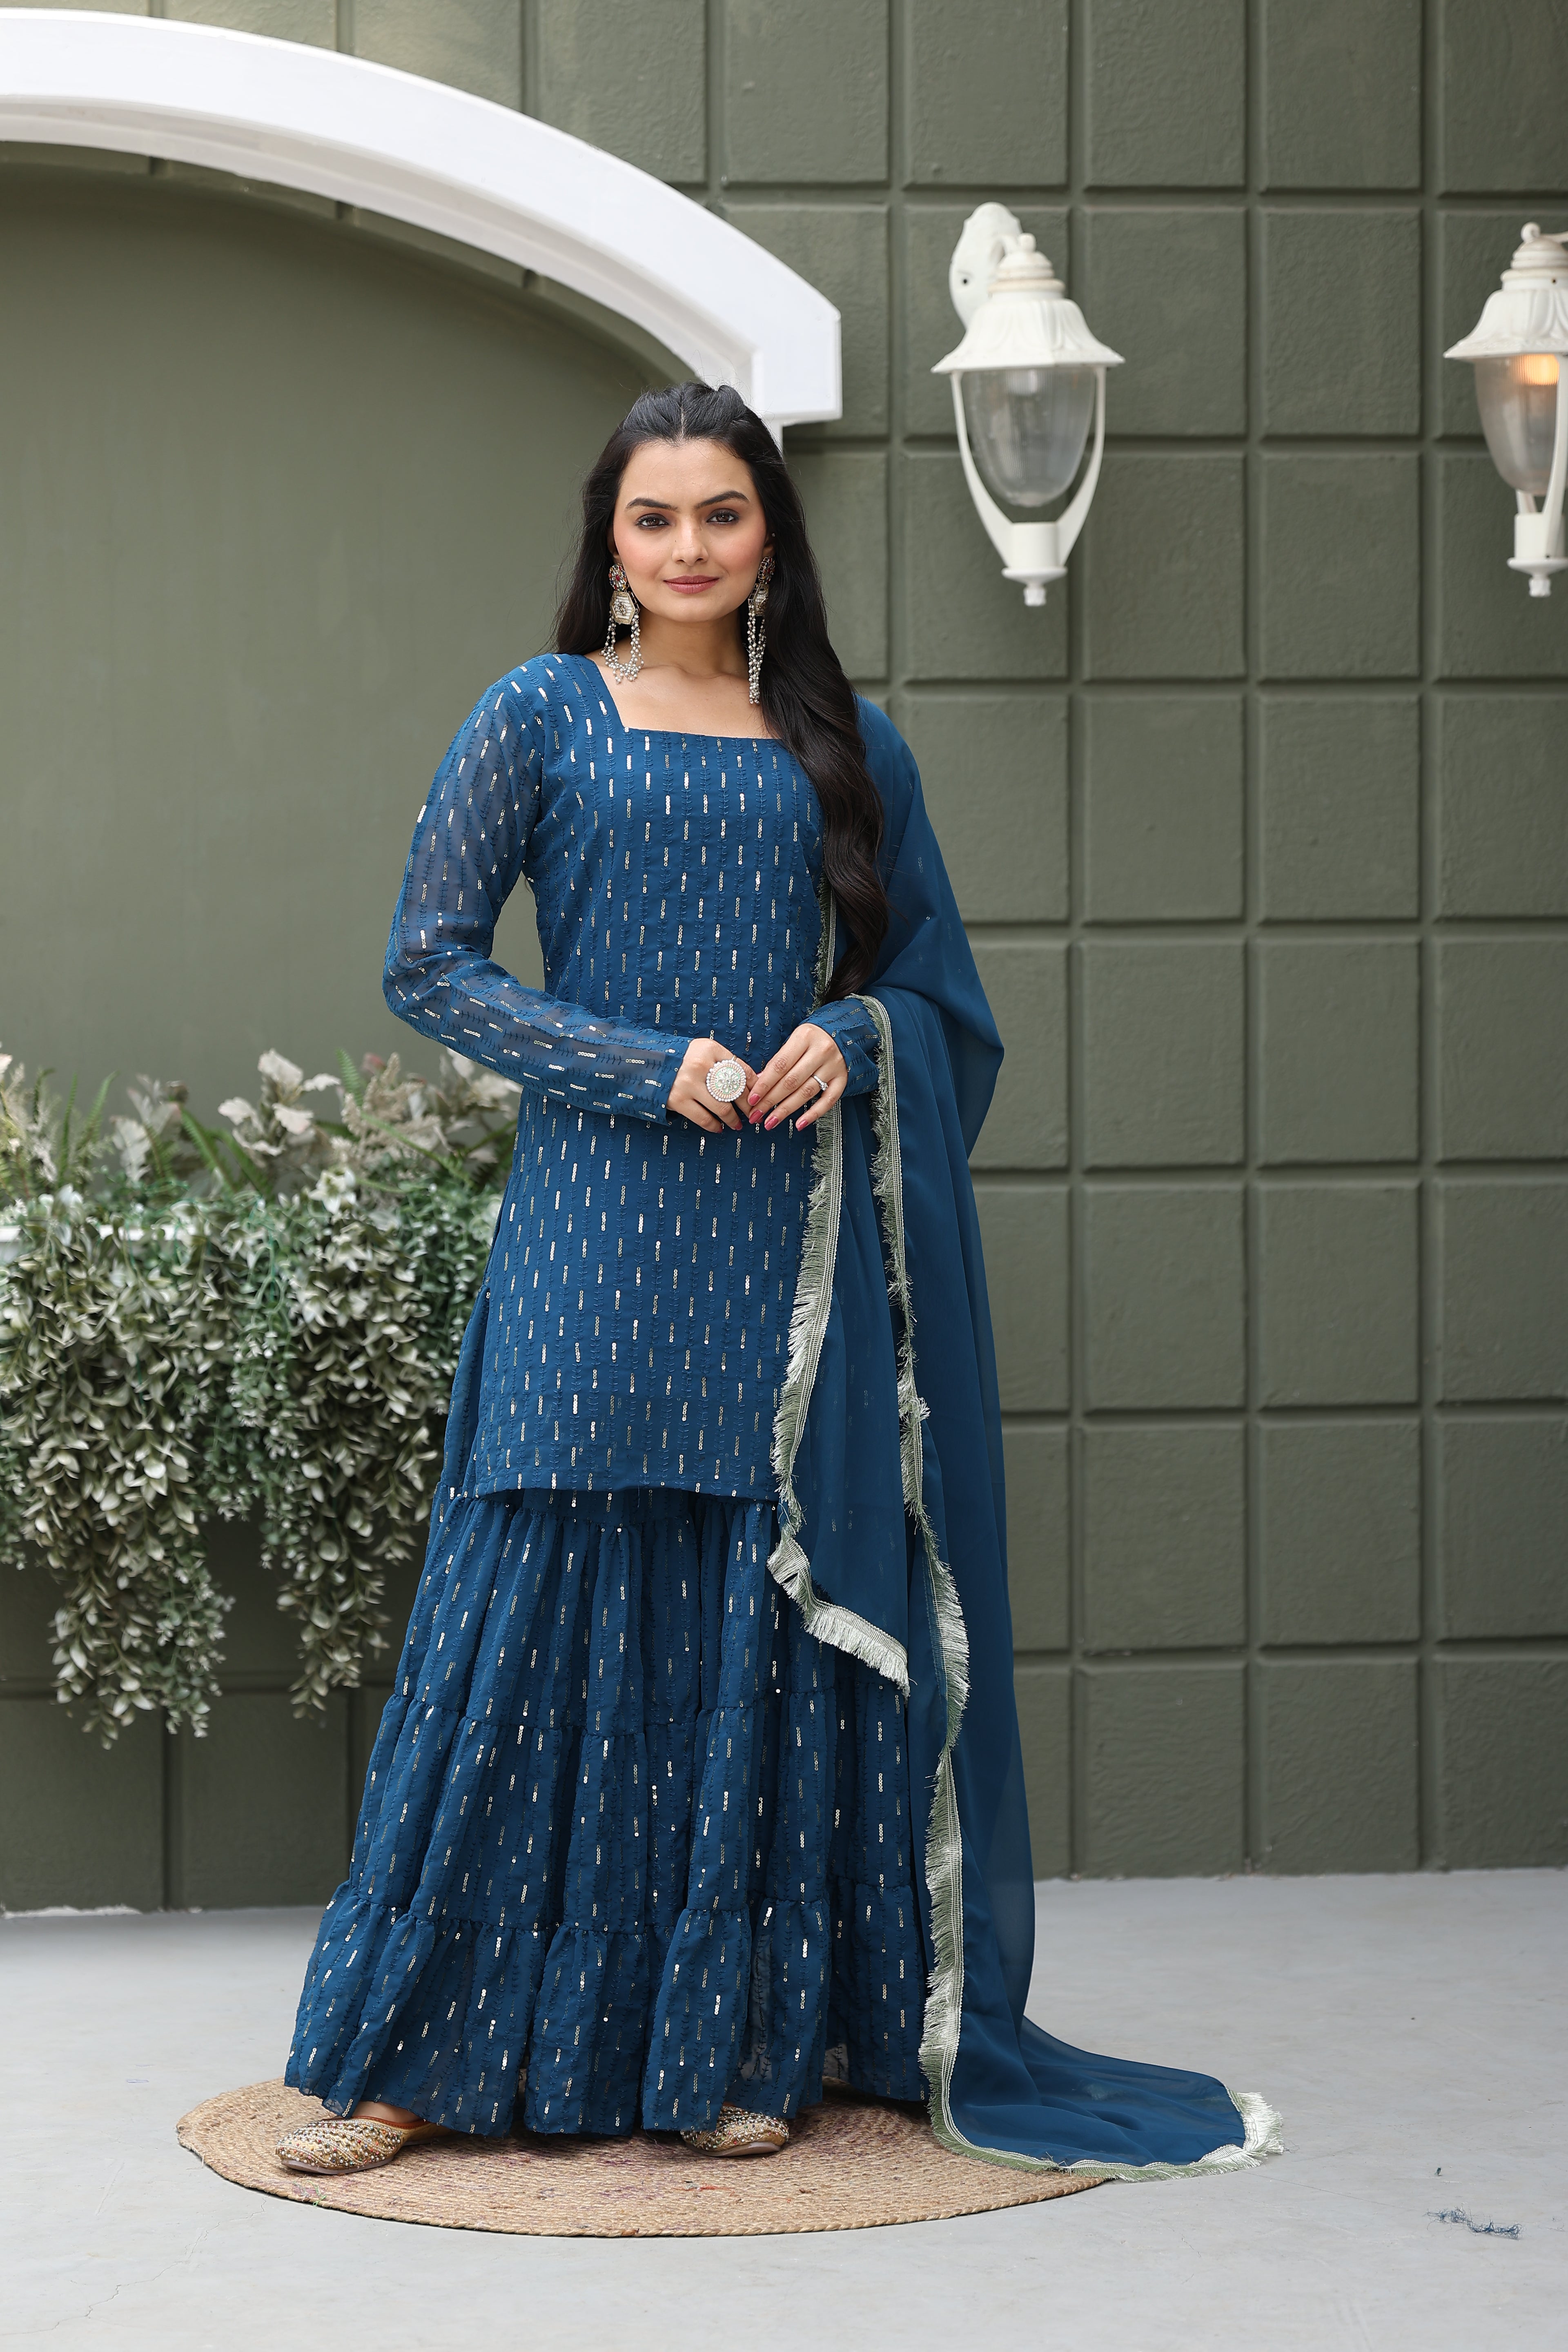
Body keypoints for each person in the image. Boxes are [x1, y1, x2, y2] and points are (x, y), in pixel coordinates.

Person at [276, 382, 1281, 2185]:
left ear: (769, 539)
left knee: (754, 1622)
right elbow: (427, 966)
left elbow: (938, 998)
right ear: (609, 539)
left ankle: (727, 2048)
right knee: (539, 1615)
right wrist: (637, 1061)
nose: (683, 549)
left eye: (720, 516)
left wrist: (850, 1033)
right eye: (651, 518)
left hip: (784, 1253)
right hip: (595, 1230)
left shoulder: (848, 749)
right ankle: (424, 2064)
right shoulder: (539, 714)